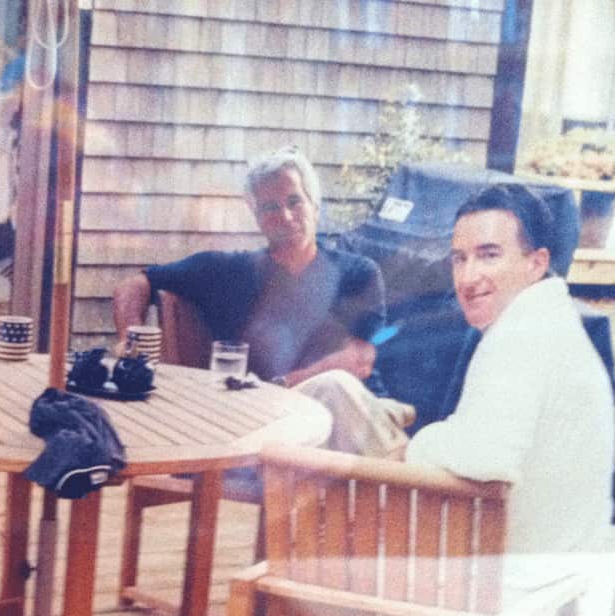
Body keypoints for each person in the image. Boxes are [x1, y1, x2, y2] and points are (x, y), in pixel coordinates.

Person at [111, 145, 412, 456]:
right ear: (257, 218)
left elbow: (358, 360)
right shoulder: (229, 272)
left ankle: (391, 468)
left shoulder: (356, 272)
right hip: (273, 425)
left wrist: (279, 386)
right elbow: (135, 284)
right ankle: (397, 481)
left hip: (352, 412)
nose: (285, 216)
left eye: (295, 201)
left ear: (314, 206)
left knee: (336, 385)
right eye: (270, 207)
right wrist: (130, 343)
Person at [406, 183, 614, 593]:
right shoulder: (546, 321)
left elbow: (489, 459)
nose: (468, 277)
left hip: (513, 597)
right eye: (459, 259)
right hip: (553, 578)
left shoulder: (524, 335)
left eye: (489, 255)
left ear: (536, 263)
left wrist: (420, 445)